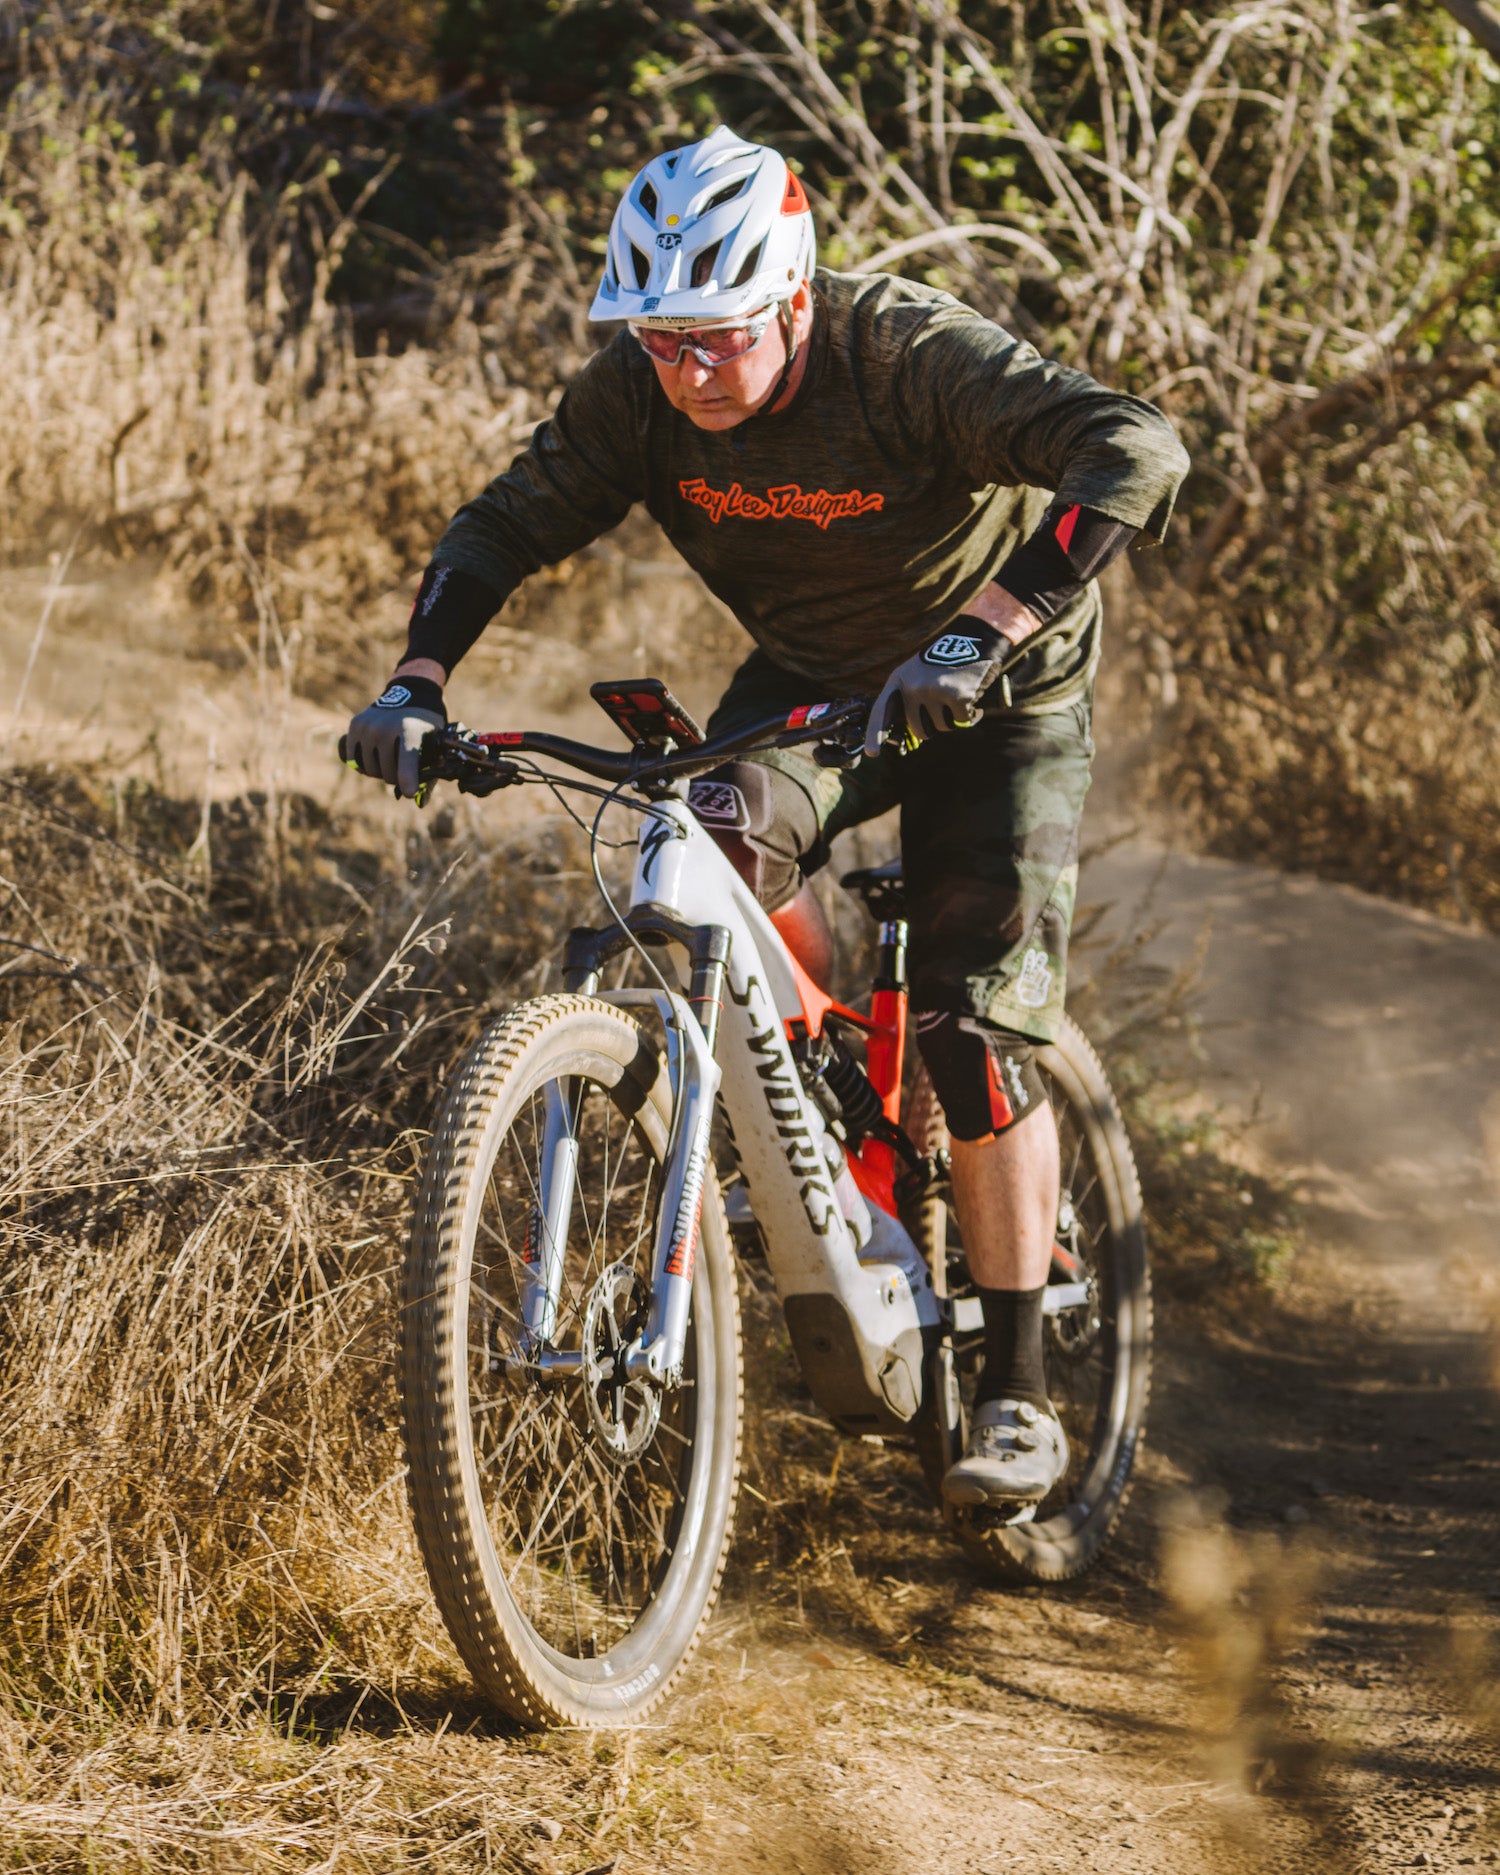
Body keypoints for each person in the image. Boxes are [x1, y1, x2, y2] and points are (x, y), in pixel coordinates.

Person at [344, 125, 1189, 1511]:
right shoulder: (642, 392)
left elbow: (1134, 447)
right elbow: (504, 523)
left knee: (975, 1037)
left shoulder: (902, 350)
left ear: (794, 297)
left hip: (1002, 689)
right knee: (702, 842)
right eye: (661, 338)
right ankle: (798, 1112)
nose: (685, 369)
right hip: (814, 686)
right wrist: (417, 685)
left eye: (717, 338)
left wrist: (980, 636)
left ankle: (1023, 1391)